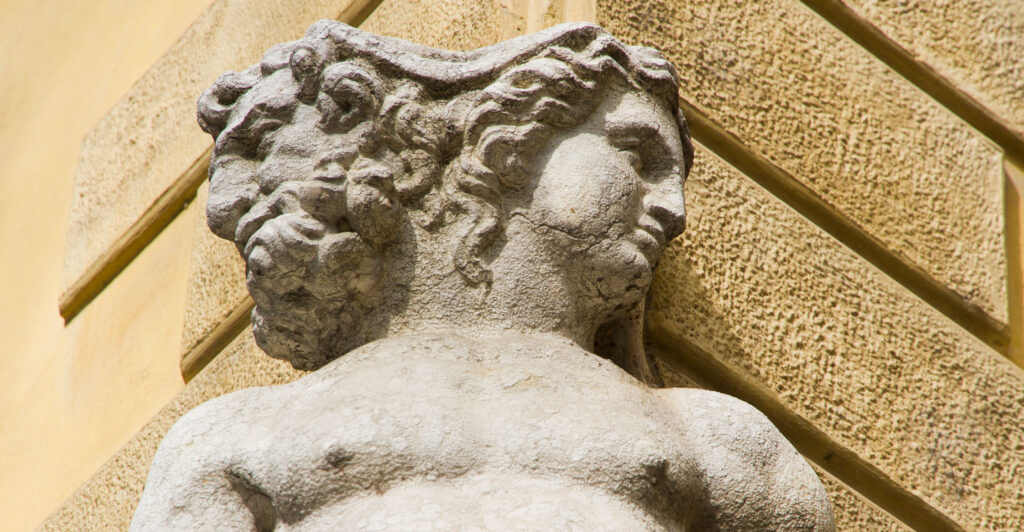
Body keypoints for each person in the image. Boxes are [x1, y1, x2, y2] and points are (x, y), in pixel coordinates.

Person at [132, 21, 834, 530]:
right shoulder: (242, 431)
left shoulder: (713, 435)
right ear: (501, 148)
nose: (670, 206)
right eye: (637, 156)